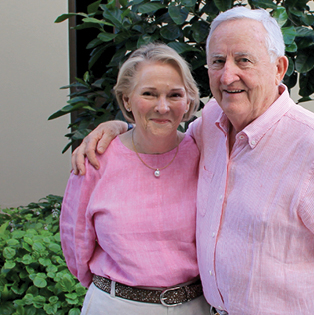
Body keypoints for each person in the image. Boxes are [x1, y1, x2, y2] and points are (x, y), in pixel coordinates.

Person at [70, 7, 314, 315]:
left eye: (244, 60)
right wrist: (116, 129)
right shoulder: (210, 124)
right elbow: (157, 135)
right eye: (218, 61)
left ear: (278, 68)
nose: (228, 75)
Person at [60, 43, 210, 314]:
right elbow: (75, 243)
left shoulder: (204, 152)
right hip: (115, 305)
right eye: (149, 94)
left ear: (188, 100)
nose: (162, 107)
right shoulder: (97, 159)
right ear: (127, 99)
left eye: (174, 94)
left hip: (194, 307)